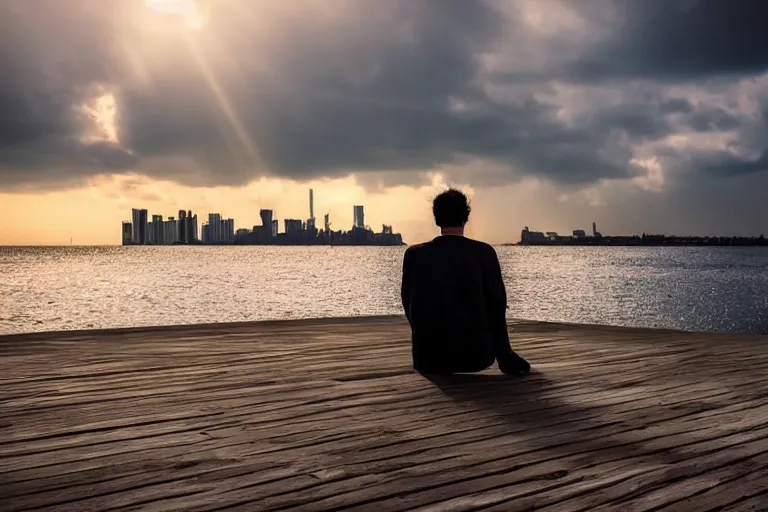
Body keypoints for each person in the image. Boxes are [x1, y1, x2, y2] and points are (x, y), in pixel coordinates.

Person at [401, 189, 530, 375]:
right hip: (476, 358)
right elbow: (496, 307)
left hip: (427, 358)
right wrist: (504, 354)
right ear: (465, 217)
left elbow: (409, 303)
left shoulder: (414, 255)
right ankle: (505, 355)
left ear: (437, 219)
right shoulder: (484, 253)